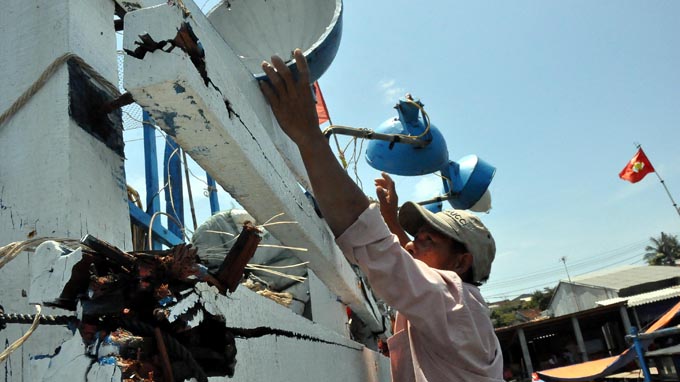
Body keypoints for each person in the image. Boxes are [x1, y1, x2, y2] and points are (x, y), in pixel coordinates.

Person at [260, 49, 503, 381]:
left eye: (427, 240)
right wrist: (392, 221)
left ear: (462, 263)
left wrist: (308, 136)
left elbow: (382, 251)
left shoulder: (454, 301)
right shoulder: (459, 310)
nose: (412, 246)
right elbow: (408, 262)